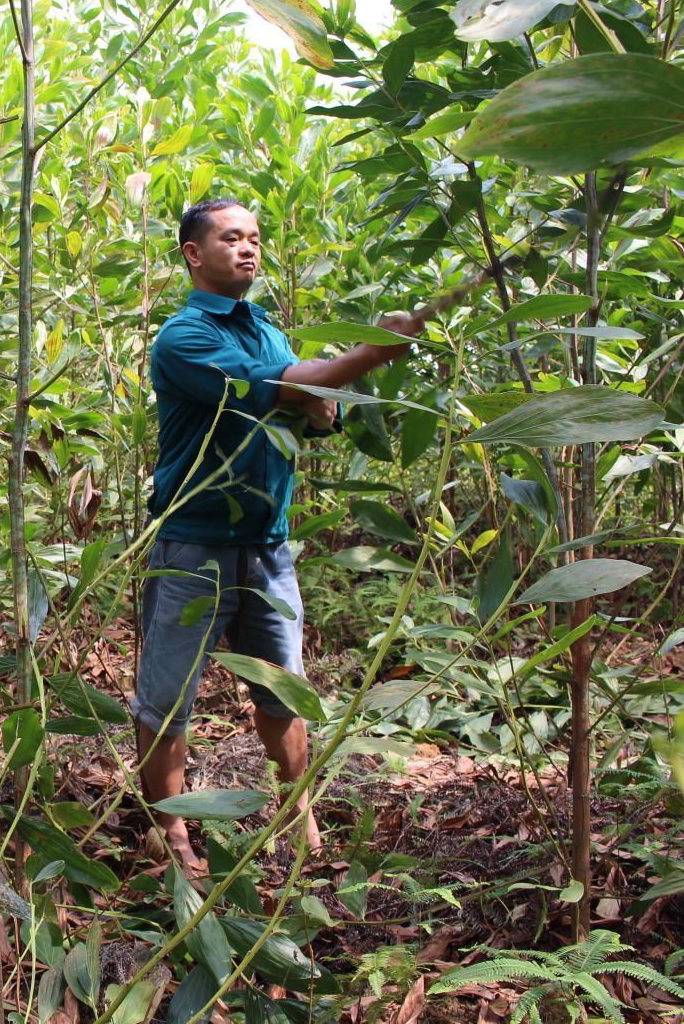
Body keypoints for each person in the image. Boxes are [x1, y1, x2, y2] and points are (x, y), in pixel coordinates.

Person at [135, 197, 422, 871]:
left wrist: (318, 401)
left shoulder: (266, 329)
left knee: (282, 687)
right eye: (231, 237)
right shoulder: (183, 338)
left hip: (267, 544)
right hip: (193, 543)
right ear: (193, 254)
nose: (248, 248)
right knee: (168, 695)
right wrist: (367, 353)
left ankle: (301, 822)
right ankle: (175, 837)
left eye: (254, 238)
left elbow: (309, 403)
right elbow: (290, 386)